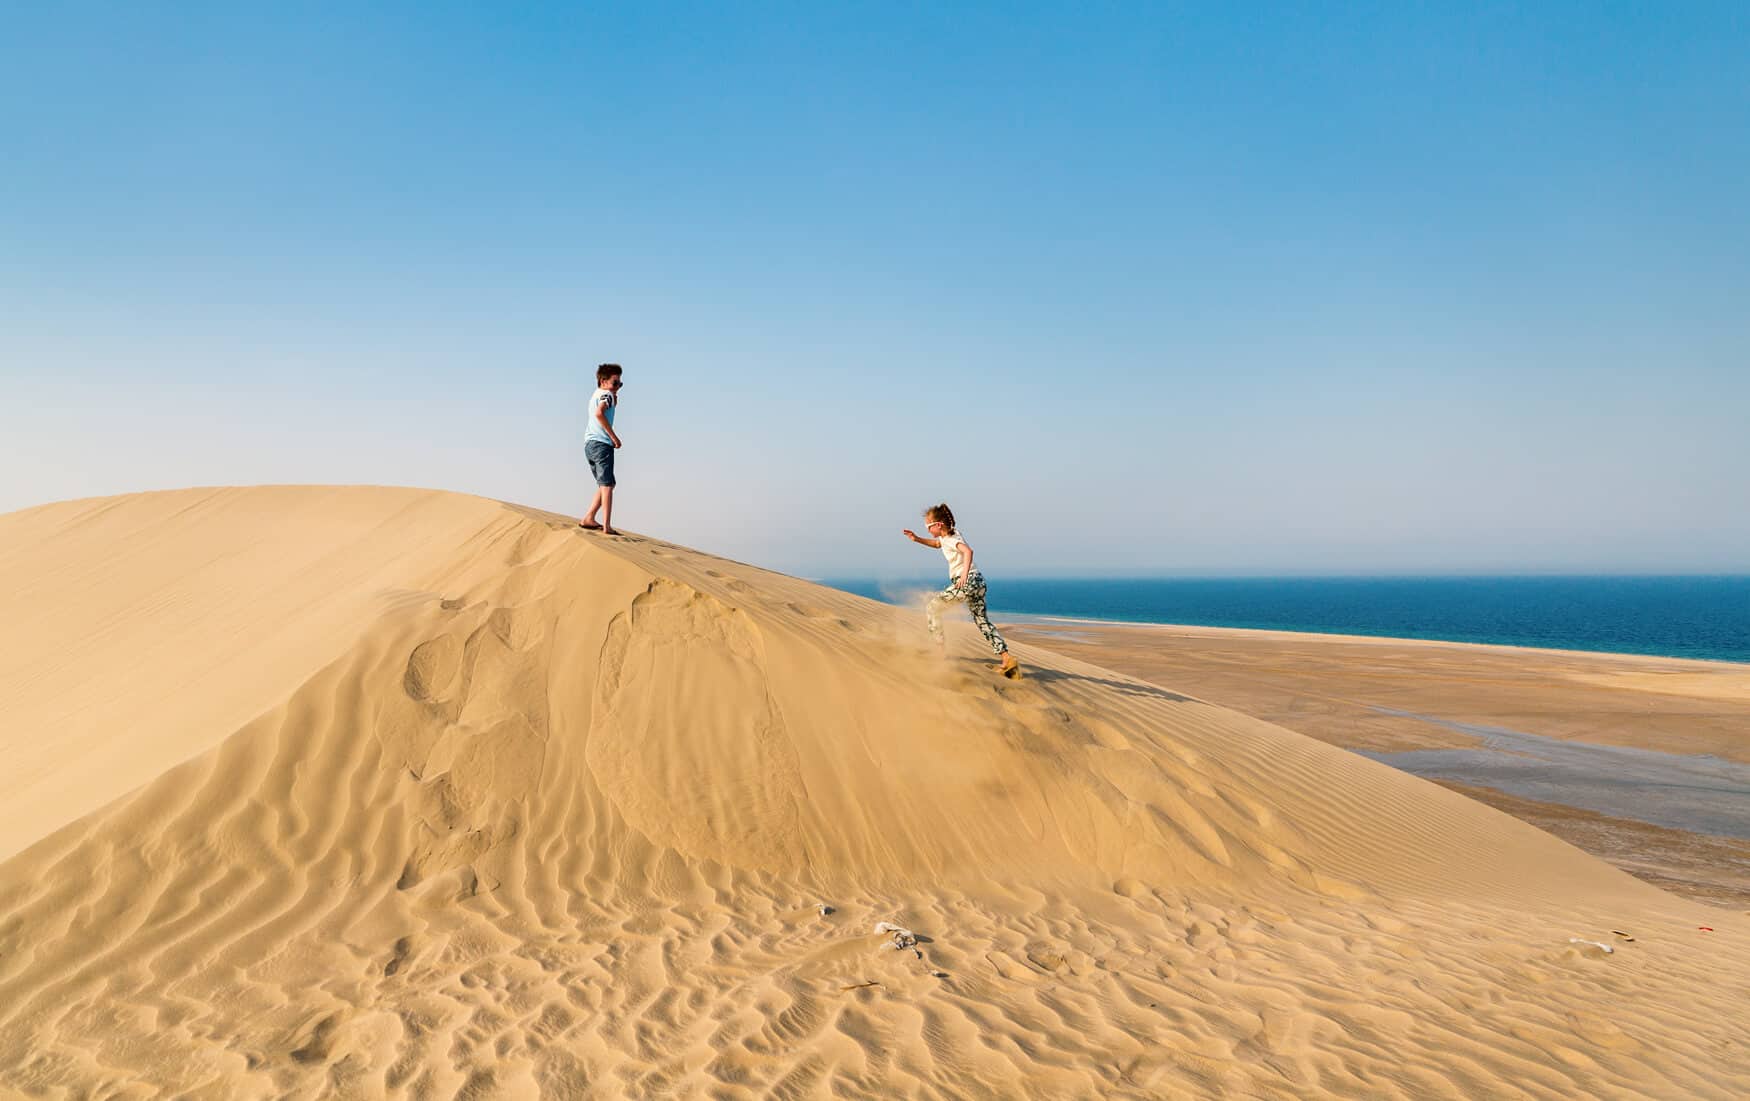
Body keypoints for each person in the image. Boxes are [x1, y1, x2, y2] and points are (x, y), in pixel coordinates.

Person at [902, 503, 1021, 677]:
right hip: (978, 582)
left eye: (928, 527)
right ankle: (1007, 659)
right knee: (982, 621)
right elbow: (937, 545)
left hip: (967, 581)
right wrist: (917, 539)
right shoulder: (949, 536)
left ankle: (939, 654)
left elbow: (968, 551)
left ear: (938, 525)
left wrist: (964, 574)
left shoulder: (951, 539)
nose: (928, 530)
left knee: (932, 608)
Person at [580, 363, 624, 534]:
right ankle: (607, 525)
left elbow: (599, 410)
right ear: (603, 381)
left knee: (607, 483)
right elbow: (599, 413)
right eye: (615, 383)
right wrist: (613, 437)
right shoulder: (607, 395)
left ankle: (589, 518)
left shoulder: (596, 394)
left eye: (620, 384)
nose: (618, 387)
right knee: (607, 486)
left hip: (589, 444)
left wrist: (613, 398)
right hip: (601, 443)